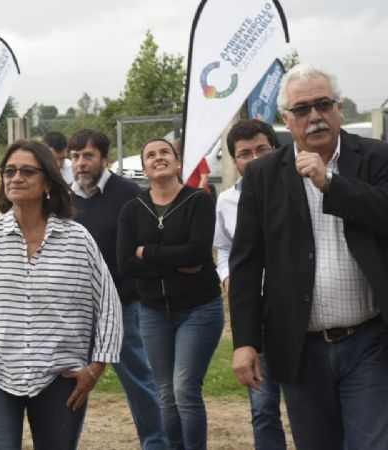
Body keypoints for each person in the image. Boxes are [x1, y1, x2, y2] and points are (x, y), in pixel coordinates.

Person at [229, 64, 388, 450]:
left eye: (323, 104)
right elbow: (247, 263)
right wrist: (245, 341)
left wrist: (330, 184)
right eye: (302, 109)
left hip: (369, 341)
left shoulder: (375, 157)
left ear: (339, 109)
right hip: (299, 346)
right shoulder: (263, 175)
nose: (314, 116)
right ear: (286, 118)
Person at [0, 139, 122, 450]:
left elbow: (108, 304)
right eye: (9, 171)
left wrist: (96, 368)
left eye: (27, 171)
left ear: (48, 182)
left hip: (60, 376)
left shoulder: (77, 240)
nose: (16, 178)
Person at [118, 138, 222, 450]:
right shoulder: (132, 209)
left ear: (178, 163)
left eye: (165, 152)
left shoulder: (198, 201)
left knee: (185, 389)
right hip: (152, 312)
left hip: (199, 309)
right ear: (145, 168)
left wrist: (146, 252)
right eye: (150, 154)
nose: (158, 157)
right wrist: (174, 261)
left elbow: (197, 254)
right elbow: (125, 265)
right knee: (165, 392)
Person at [69, 129, 167, 450]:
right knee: (71, 381)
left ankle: (155, 442)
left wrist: (128, 291)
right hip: (76, 311)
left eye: (88, 156)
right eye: (75, 156)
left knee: (139, 378)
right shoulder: (62, 198)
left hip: (122, 306)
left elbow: (147, 247)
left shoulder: (129, 193)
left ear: (104, 159)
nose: (81, 163)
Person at [213, 119, 285, 450]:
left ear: (275, 151)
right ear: (234, 160)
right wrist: (228, 277)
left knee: (309, 405)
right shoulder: (226, 201)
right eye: (244, 154)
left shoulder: (298, 189)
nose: (254, 159)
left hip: (296, 309)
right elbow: (225, 248)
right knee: (262, 407)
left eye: (261, 150)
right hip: (255, 312)